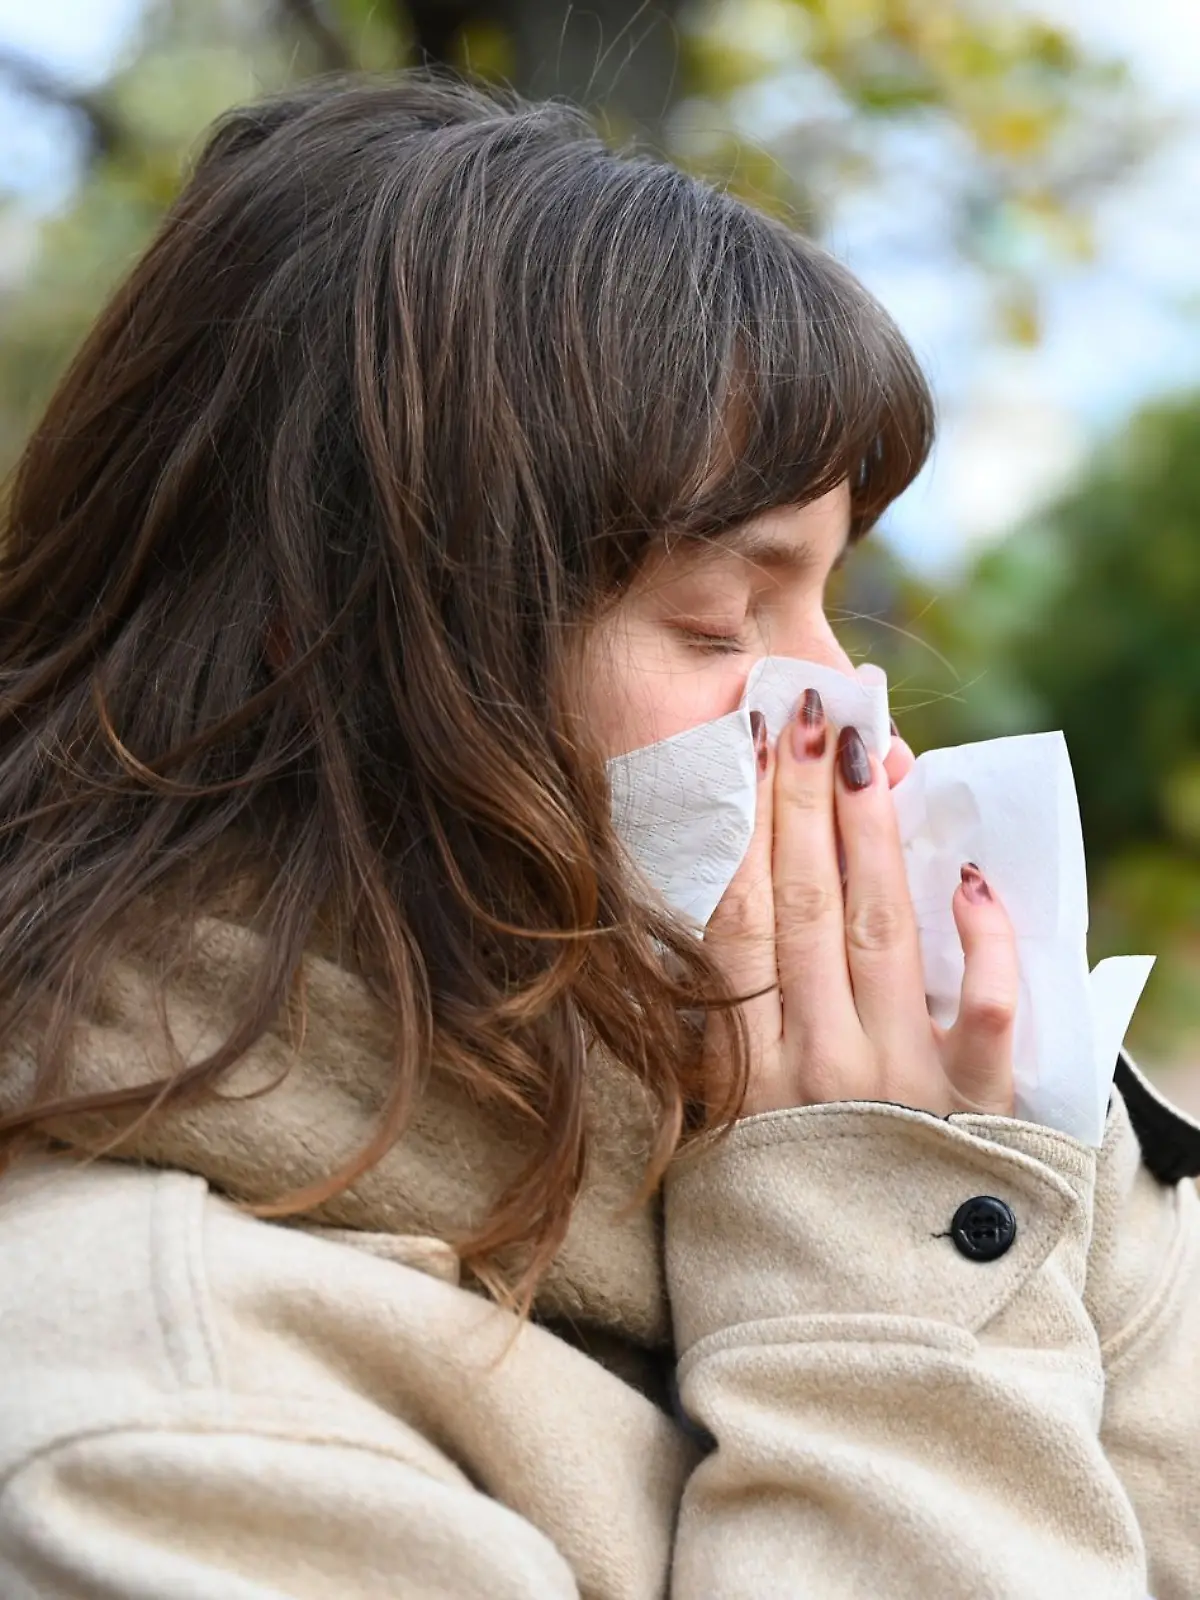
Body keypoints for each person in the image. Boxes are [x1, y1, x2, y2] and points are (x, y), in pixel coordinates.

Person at [0, 69, 1197, 1600]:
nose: (847, 701)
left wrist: (1000, 1161)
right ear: (329, 656)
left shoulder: (965, 1102)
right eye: (719, 619)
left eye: (832, 597)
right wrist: (880, 1269)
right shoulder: (158, 1412)